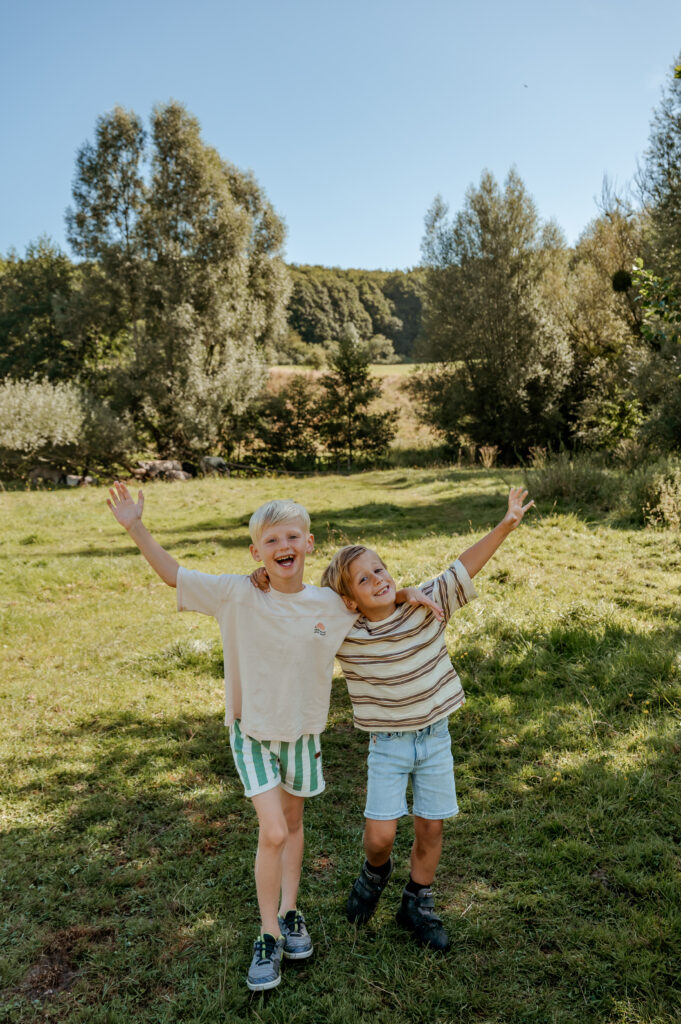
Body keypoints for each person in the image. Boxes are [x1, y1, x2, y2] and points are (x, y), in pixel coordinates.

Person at [106, 485, 438, 991]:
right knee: (275, 832)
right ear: (256, 552)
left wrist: (408, 592)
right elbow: (173, 574)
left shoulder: (331, 602)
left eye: (292, 536)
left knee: (293, 825)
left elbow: (373, 595)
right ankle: (266, 936)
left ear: (307, 544)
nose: (282, 545)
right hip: (252, 733)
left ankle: (289, 912)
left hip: (303, 735)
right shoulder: (237, 593)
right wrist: (135, 526)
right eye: (270, 539)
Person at [319, 487, 534, 951]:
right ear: (349, 601)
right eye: (363, 579)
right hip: (388, 745)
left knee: (430, 827)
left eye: (380, 569)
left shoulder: (426, 608)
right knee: (380, 835)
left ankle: (418, 901)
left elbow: (463, 566)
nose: (377, 578)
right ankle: (374, 875)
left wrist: (506, 524)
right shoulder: (346, 635)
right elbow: (304, 611)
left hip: (436, 738)